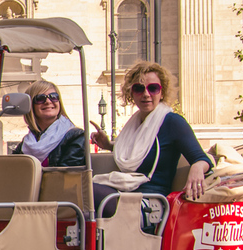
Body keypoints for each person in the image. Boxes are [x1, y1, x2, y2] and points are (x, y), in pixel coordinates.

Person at [90, 61, 214, 213]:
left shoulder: (172, 122)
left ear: (162, 93)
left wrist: (197, 166)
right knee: (80, 195)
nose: (146, 94)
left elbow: (202, 158)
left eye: (153, 88)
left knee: (87, 190)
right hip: (125, 193)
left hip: (151, 203)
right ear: (131, 93)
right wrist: (109, 146)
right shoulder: (134, 125)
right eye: (139, 89)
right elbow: (140, 151)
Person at [12, 80, 85, 167]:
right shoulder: (27, 142)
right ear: (31, 106)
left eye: (53, 97)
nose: (48, 101)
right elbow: (13, 170)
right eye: (40, 98)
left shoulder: (76, 136)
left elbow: (67, 176)